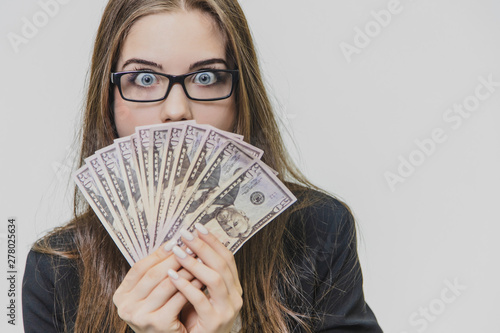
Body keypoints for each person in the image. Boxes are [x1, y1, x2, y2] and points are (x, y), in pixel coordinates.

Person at [22, 0, 383, 332]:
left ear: (241, 97)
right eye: (145, 79)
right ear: (108, 99)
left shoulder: (319, 231)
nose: (177, 110)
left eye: (206, 77)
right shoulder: (53, 271)